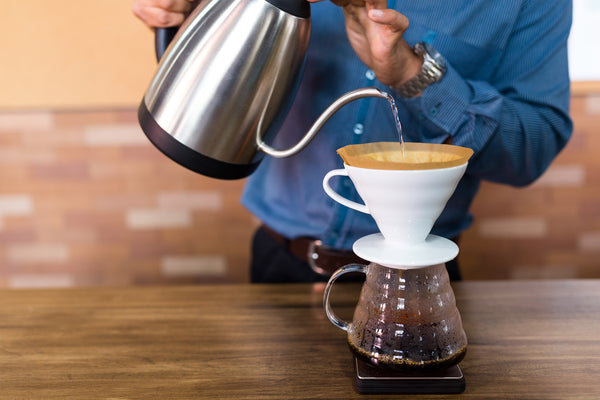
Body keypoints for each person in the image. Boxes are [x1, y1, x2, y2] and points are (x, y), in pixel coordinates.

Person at [132, 0, 573, 282]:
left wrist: (413, 74)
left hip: (418, 279)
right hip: (278, 263)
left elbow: (533, 149)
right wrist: (184, 14)